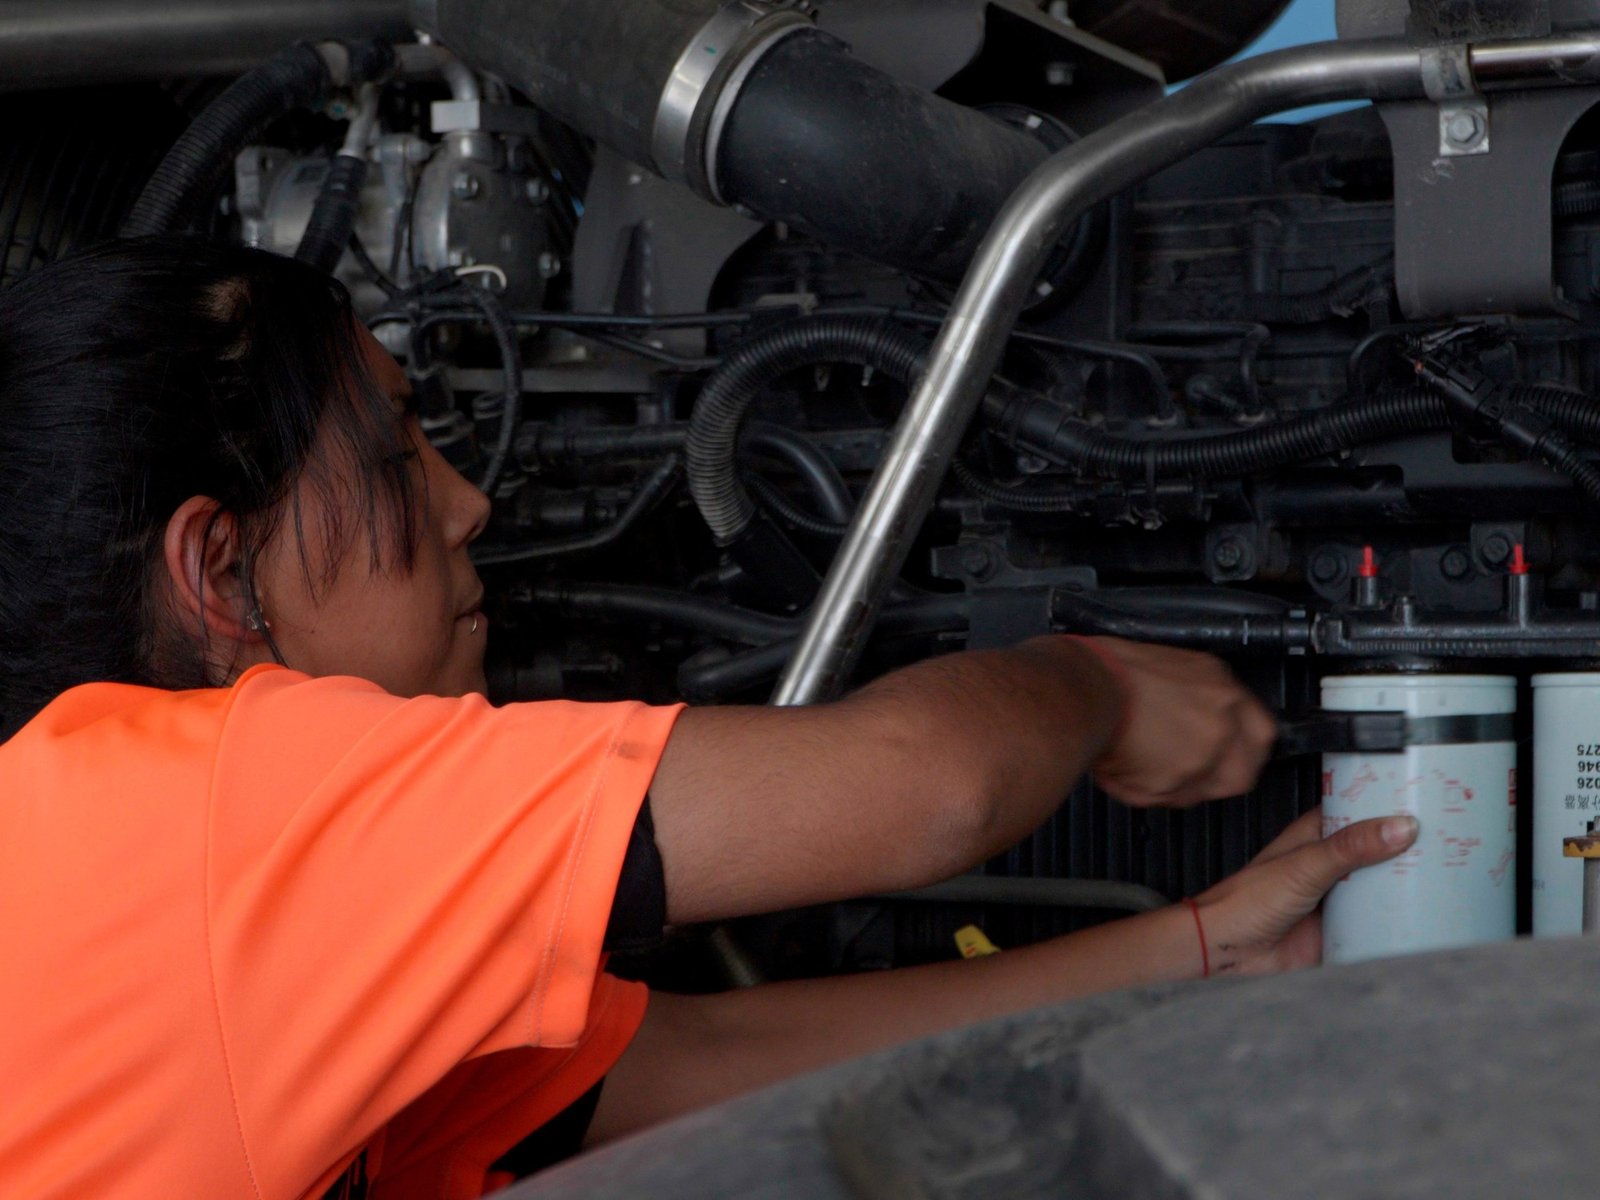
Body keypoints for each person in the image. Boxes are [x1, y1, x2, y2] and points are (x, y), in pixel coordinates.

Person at [0, 238, 1415, 1200]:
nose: (467, 504)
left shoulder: (100, 858)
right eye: (392, 456)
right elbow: (930, 783)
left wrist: (1195, 952)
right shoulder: (209, 813)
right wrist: (1096, 684)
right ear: (218, 572)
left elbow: (691, 1072)